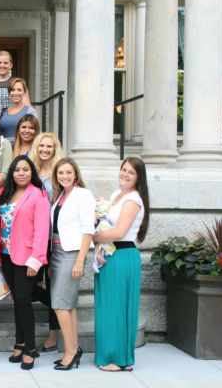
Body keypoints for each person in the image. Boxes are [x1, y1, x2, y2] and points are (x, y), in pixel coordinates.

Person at [93, 157, 150, 372]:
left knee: (118, 307)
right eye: (124, 169)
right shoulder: (117, 195)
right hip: (109, 254)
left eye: (131, 172)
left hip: (122, 255)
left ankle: (118, 359)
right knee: (108, 307)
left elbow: (118, 232)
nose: (125, 174)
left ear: (138, 178)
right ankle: (115, 355)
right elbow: (106, 223)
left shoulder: (133, 200)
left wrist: (90, 236)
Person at [0, 155, 50, 370]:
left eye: (25, 169)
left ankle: (30, 348)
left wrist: (36, 261)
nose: (21, 173)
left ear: (32, 172)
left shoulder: (38, 194)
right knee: (17, 300)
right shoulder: (5, 192)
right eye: (17, 170)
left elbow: (42, 230)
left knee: (24, 300)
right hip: (6, 255)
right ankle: (20, 342)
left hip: (27, 257)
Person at [49, 158, 95, 370]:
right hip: (57, 253)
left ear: (75, 174)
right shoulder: (60, 196)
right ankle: (74, 348)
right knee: (69, 306)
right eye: (61, 173)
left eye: (68, 172)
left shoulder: (83, 194)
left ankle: (70, 353)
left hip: (72, 254)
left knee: (59, 304)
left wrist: (79, 260)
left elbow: (88, 230)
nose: (64, 176)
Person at [28, 132, 65, 352]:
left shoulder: (60, 173)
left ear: (54, 149)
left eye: (49, 146)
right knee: (27, 284)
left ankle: (53, 334)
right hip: (32, 238)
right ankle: (59, 306)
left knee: (53, 284)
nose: (44, 150)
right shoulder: (31, 171)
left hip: (54, 239)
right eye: (41, 146)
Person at [0, 77, 38, 144]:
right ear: (9, 93)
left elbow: (36, 132)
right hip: (5, 147)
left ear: (24, 92)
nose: (16, 93)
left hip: (22, 147)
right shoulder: (3, 111)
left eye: (19, 90)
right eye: (13, 90)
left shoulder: (30, 111)